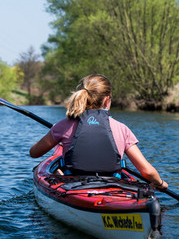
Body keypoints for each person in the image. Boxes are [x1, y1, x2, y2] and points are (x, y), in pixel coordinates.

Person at [29, 74, 169, 190]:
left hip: (74, 187)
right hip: (112, 187)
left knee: (57, 170)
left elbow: (34, 153)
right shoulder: (122, 128)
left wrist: (55, 131)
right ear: (107, 100)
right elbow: (148, 172)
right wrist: (160, 184)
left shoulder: (64, 125)